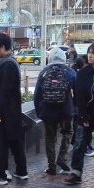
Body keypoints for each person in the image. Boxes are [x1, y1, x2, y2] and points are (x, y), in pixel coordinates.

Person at [0, 32, 28, 184]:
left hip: (5, 112)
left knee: (1, 142)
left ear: (3, 47)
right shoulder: (11, 62)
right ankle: (21, 171)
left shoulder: (7, 65)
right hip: (12, 111)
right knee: (15, 141)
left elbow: (5, 92)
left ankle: (1, 173)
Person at [64, 42, 94, 185]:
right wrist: (82, 115)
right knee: (79, 143)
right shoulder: (83, 72)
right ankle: (76, 173)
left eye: (93, 53)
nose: (90, 55)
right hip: (86, 115)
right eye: (89, 52)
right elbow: (78, 96)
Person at [33, 47, 76, 175]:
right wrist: (76, 109)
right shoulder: (70, 72)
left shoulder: (44, 72)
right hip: (66, 110)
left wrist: (39, 112)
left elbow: (36, 95)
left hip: (48, 111)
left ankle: (51, 166)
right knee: (68, 132)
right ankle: (62, 157)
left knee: (49, 137)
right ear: (64, 57)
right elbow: (79, 91)